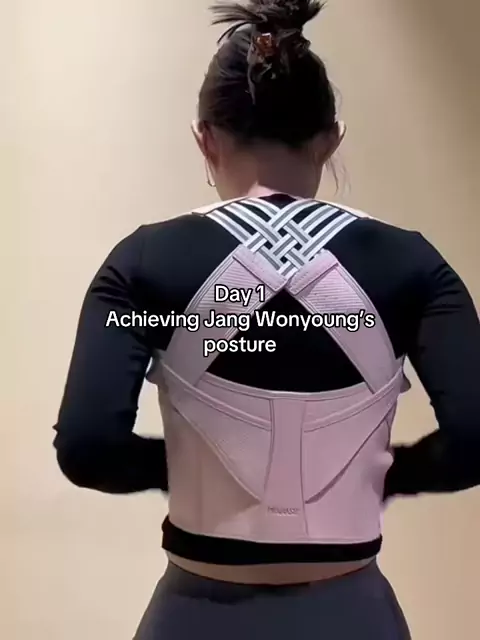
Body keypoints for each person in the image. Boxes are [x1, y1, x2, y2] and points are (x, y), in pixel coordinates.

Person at [53, 1, 480, 638]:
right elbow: (474, 437)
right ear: (332, 137)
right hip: (353, 613)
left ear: (205, 137)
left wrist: (197, 471)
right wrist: (390, 475)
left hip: (195, 615)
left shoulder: (141, 263)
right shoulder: (413, 265)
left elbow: (87, 448)